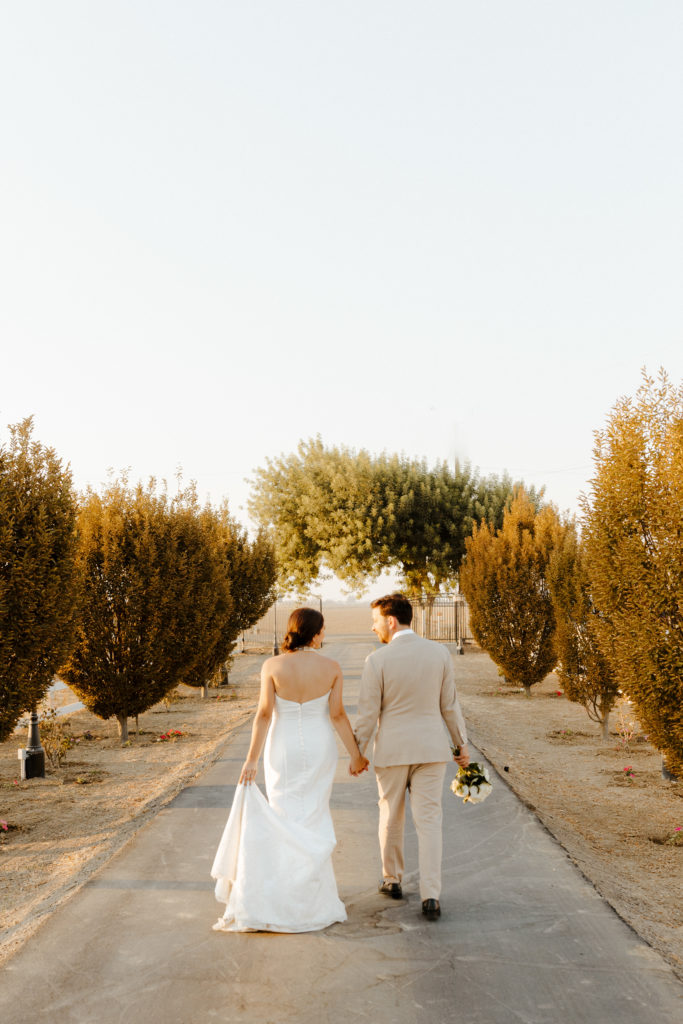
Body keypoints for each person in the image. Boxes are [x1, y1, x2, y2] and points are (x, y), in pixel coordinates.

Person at [211, 607, 369, 933]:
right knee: (314, 814)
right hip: (319, 746)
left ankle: (279, 896)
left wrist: (251, 759)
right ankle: (310, 899)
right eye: (322, 630)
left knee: (282, 815)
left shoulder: (272, 666)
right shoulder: (332, 668)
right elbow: (338, 716)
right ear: (313, 633)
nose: (324, 636)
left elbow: (264, 715)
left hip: (281, 748)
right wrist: (355, 756)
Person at [354, 593, 470, 922]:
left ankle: (392, 880)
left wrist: (357, 753)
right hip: (432, 750)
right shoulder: (439, 653)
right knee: (430, 822)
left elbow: (367, 714)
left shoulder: (376, 660)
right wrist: (460, 744)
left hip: (392, 751)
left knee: (391, 816)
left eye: (375, 620)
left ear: (391, 621)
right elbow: (449, 704)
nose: (372, 626)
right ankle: (431, 895)